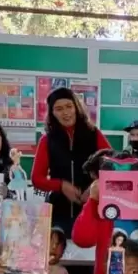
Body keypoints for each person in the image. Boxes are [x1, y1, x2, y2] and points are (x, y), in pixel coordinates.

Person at [31, 87, 111, 235]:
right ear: (52, 113)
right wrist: (61, 186)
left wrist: (94, 187)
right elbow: (36, 179)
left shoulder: (94, 134)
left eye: (69, 106)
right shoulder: (47, 140)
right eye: (59, 109)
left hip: (92, 209)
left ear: (77, 107)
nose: (65, 113)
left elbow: (113, 168)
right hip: (58, 213)